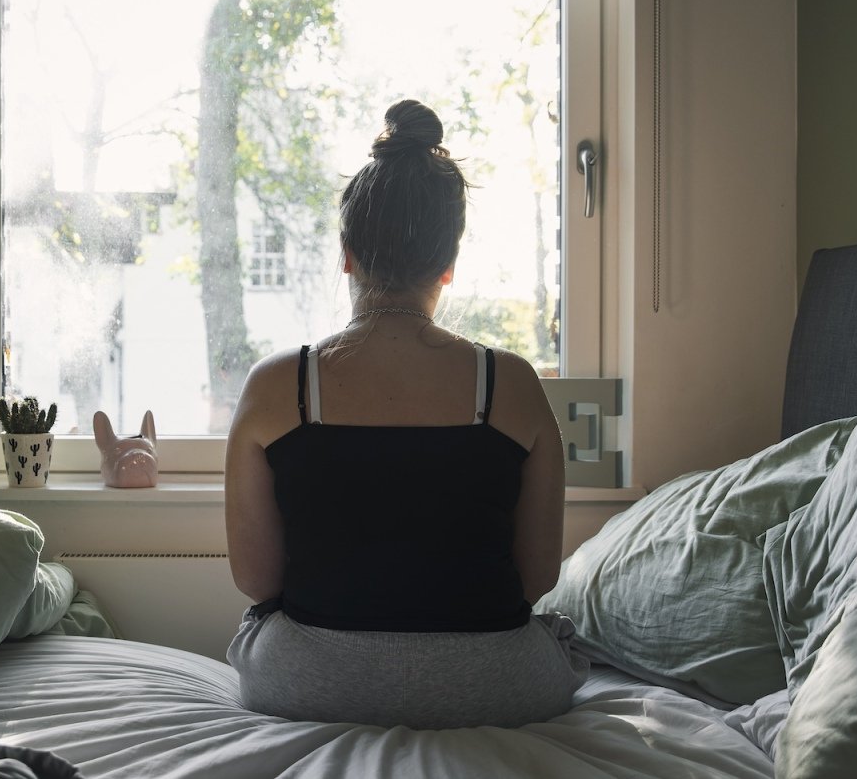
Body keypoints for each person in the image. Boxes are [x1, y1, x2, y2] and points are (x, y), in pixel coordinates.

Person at [223, 99, 588, 729]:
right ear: (448, 264)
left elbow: (258, 582)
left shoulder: (279, 386)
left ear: (346, 253)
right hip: (496, 685)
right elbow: (534, 578)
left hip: (308, 682)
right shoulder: (512, 383)